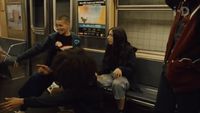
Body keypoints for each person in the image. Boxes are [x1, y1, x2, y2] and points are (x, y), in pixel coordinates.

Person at [0, 48, 104, 113]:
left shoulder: (81, 91)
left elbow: (51, 101)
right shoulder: (86, 76)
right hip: (78, 103)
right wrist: (51, 72)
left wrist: (22, 101)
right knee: (53, 90)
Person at [13, 15, 81, 113]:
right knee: (34, 82)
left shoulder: (75, 39)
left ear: (68, 25)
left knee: (72, 92)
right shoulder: (52, 37)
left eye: (61, 25)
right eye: (56, 25)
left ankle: (67, 106)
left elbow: (78, 55)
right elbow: (37, 48)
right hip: (49, 70)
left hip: (66, 71)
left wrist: (67, 49)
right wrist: (19, 58)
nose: (58, 28)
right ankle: (22, 109)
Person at [155, 0, 200, 113]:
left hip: (189, 77)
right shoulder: (182, 4)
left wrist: (184, 64)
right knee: (161, 109)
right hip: (169, 70)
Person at [96, 27, 138, 113]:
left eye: (111, 35)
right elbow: (105, 65)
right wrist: (97, 72)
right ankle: (98, 105)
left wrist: (121, 69)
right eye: (108, 35)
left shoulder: (129, 50)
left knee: (117, 84)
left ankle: (120, 110)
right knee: (95, 80)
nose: (108, 37)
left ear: (118, 37)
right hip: (111, 75)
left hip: (125, 77)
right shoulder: (110, 48)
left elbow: (132, 68)